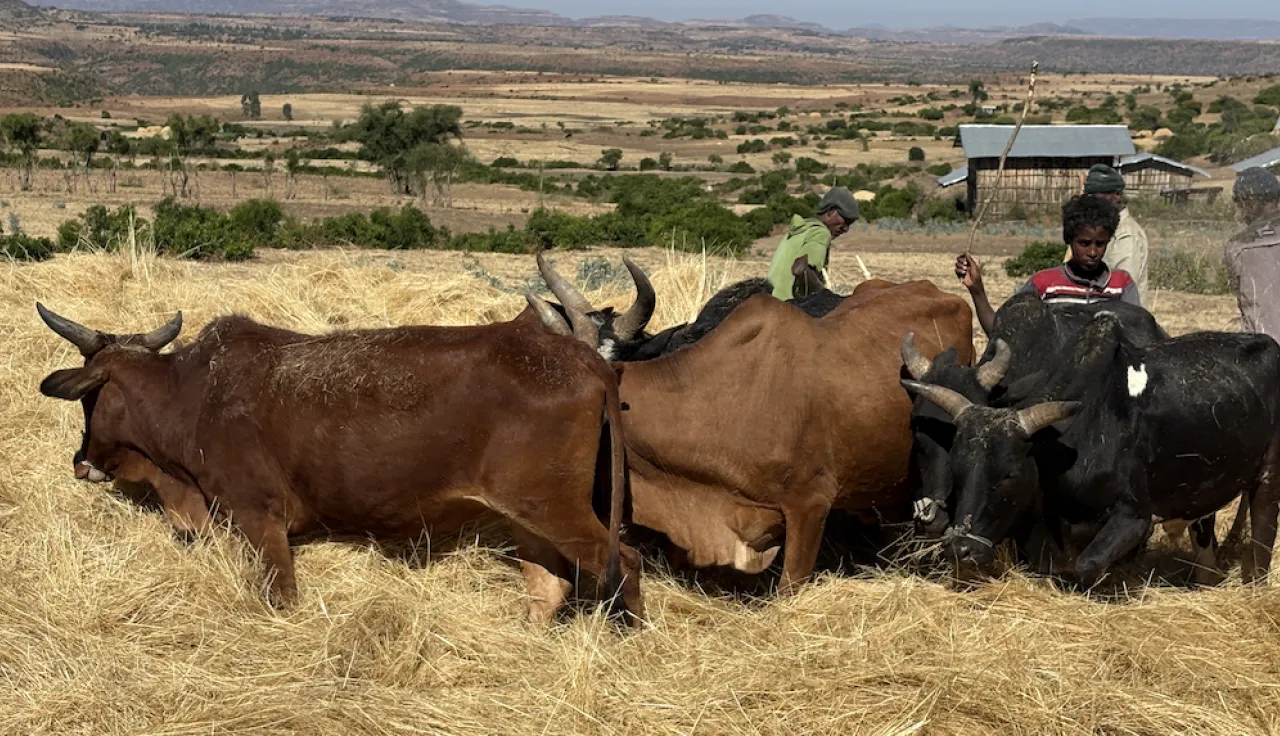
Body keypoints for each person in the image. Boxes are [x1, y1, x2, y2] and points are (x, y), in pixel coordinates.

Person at [957, 194, 1139, 337]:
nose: (1092, 252)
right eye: (1084, 243)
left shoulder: (1122, 285)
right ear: (1069, 239)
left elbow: (1138, 338)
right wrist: (977, 290)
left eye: (1100, 244)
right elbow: (1003, 333)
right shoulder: (1044, 284)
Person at [1061, 164, 1150, 306]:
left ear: (1117, 195)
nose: (1093, 202)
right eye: (1089, 196)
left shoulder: (1126, 235)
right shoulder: (1094, 228)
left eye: (1098, 196)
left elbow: (1121, 288)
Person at [766, 187, 858, 300]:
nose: (846, 229)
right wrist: (828, 298)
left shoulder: (801, 230)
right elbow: (801, 269)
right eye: (846, 221)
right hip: (789, 307)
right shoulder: (821, 233)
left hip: (770, 301)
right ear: (831, 211)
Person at [1223, 166, 1280, 338]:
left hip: (1262, 351)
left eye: (1241, 204)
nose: (1241, 212)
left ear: (1251, 202)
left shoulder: (1238, 246)